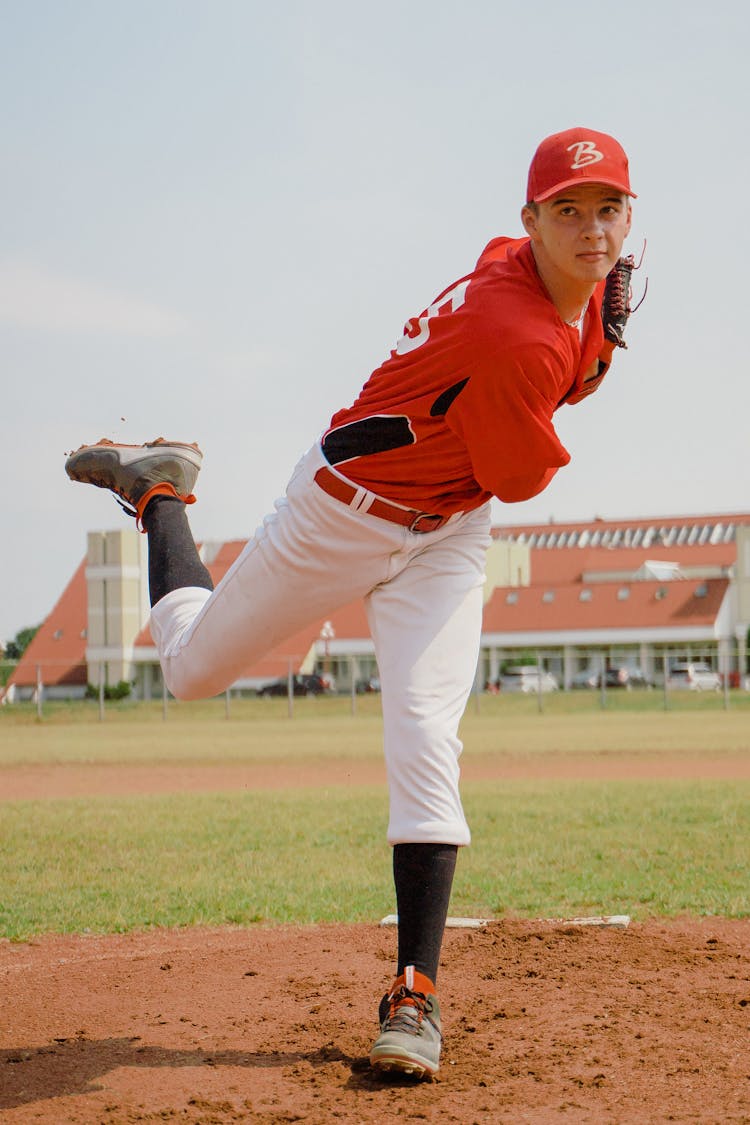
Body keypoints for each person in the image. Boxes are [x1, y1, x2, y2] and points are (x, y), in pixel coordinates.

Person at [65, 126, 636, 1080]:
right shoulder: (521, 335)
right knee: (193, 670)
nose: (591, 230)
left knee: (424, 733)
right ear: (528, 219)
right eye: (567, 211)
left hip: (446, 531)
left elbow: (530, 400)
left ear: (630, 216)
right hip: (341, 513)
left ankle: (414, 990)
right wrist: (599, 361)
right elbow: (523, 463)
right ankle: (159, 491)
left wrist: (590, 348)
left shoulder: (539, 287)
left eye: (608, 208)